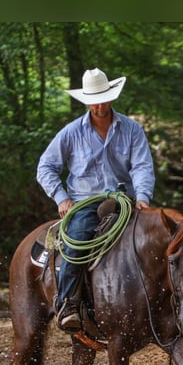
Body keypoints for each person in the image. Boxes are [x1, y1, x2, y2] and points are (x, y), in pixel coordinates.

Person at [37, 68, 156, 332]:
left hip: (124, 199)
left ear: (111, 97)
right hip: (84, 201)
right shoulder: (71, 133)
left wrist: (143, 196)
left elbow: (142, 166)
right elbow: (45, 167)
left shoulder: (132, 129)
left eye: (103, 98)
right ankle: (68, 303)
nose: (99, 105)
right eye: (94, 100)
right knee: (77, 240)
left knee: (152, 239)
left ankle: (154, 302)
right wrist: (61, 198)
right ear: (86, 101)